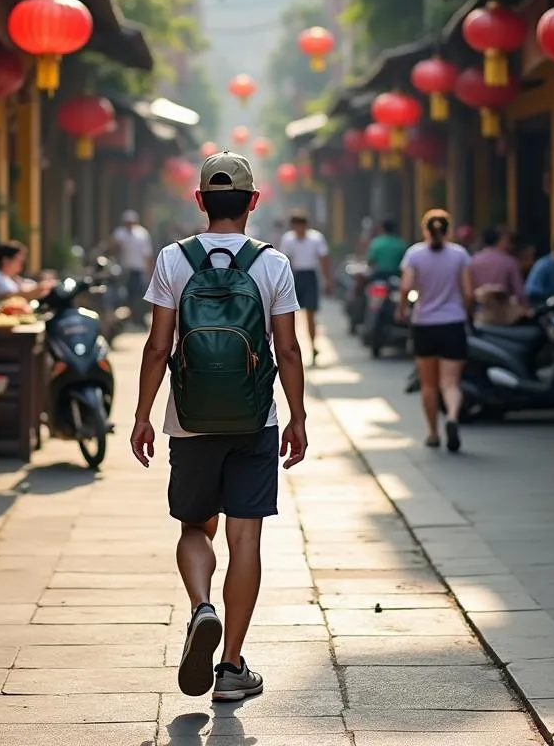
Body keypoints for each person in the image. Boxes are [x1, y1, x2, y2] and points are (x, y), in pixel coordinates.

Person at [131, 151, 306, 703]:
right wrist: (297, 417)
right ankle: (231, 667)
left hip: (190, 421)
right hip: (255, 419)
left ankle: (201, 607)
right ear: (253, 202)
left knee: (192, 527)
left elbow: (160, 345)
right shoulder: (273, 264)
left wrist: (141, 415)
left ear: (201, 200)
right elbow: (289, 348)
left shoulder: (172, 259)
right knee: (245, 535)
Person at [396, 210, 473, 453]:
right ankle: (451, 416)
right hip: (453, 324)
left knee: (428, 384)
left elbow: (406, 287)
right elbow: (469, 293)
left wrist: (402, 309)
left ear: (425, 229)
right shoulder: (460, 254)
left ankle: (432, 433)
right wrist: (467, 312)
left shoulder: (415, 254)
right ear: (448, 230)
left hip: (424, 325)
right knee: (450, 382)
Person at [279, 211, 332, 364]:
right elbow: (284, 260)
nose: (299, 229)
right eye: (296, 226)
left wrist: (327, 280)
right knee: (289, 314)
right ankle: (289, 346)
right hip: (295, 276)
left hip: (310, 276)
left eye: (301, 226)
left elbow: (323, 259)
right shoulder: (288, 239)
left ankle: (313, 345)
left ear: (305, 226)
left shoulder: (316, 238)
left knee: (310, 314)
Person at [471, 225, 528, 325]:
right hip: (503, 317)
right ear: (501, 240)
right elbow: (519, 293)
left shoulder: (473, 261)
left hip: (479, 315)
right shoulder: (509, 262)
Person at [111, 210, 154, 326]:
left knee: (138, 295)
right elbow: (113, 249)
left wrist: (149, 271)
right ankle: (126, 319)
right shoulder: (119, 233)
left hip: (138, 269)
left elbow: (147, 255)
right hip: (124, 269)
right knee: (125, 295)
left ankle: (137, 318)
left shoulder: (142, 234)